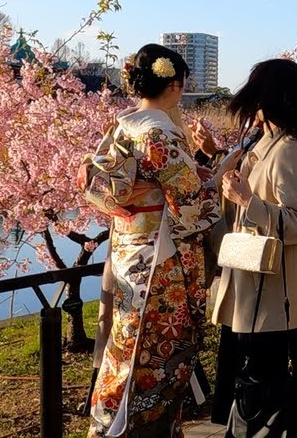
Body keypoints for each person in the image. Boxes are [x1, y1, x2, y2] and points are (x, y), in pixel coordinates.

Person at [84, 45, 225, 438]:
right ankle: (136, 429)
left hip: (130, 248)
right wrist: (215, 182)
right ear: (175, 84)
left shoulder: (125, 123)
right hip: (161, 259)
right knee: (156, 349)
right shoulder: (159, 129)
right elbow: (190, 204)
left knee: (125, 343)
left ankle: (109, 422)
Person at [212, 59, 297, 437]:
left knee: (262, 383)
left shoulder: (289, 153)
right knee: (265, 383)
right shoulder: (268, 148)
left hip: (276, 298)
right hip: (262, 292)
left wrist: (247, 201)